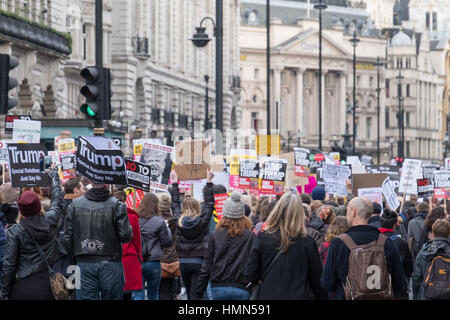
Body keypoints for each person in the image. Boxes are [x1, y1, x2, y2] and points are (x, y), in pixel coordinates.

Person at [320, 197, 408, 300]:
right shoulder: (386, 242)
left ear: (354, 212)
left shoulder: (339, 243)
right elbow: (400, 284)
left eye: (347, 211)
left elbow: (327, 283)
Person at [245, 193, 328, 300]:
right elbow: (317, 281)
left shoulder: (262, 238)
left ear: (277, 211)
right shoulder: (308, 243)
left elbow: (250, 274)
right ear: (300, 214)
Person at [0, 170, 64, 300]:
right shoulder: (50, 220)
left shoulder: (14, 231)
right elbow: (57, 199)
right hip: (48, 284)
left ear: (21, 210)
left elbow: (9, 265)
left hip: (23, 286)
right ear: (39, 205)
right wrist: (54, 178)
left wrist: (5, 293)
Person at [64, 182, 133, 300]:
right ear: (106, 183)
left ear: (91, 182)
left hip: (84, 262)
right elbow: (126, 236)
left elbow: (68, 238)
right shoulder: (117, 205)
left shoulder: (75, 204)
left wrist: (74, 261)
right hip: (110, 263)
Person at [197, 192, 257, 300]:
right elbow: (253, 262)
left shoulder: (215, 235)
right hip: (241, 287)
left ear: (224, 215)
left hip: (217, 287)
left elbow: (207, 265)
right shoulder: (250, 236)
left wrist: (199, 290)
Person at [176, 170, 215, 300]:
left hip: (183, 262)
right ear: (198, 208)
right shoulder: (202, 222)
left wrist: (175, 184)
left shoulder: (179, 221)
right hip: (198, 262)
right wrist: (209, 182)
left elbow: (174, 204)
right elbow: (210, 205)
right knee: (195, 295)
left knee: (189, 293)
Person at [134, 192, 172, 300]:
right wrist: (167, 228)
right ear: (156, 205)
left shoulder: (134, 219)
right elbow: (167, 242)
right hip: (153, 262)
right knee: (153, 293)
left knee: (138, 293)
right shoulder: (159, 221)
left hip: (137, 260)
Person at [113, 190, 143, 301]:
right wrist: (139, 257)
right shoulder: (132, 216)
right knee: (128, 293)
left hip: (114, 257)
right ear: (125, 200)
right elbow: (136, 240)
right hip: (129, 257)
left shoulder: (108, 213)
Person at [379, 208, 413, 300]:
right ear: (394, 225)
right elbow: (408, 267)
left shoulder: (372, 239)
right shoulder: (401, 242)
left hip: (376, 287)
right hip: (395, 287)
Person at [412, 218, 450, 300]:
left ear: (433, 233)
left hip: (427, 294)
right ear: (448, 234)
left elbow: (416, 277)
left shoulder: (424, 251)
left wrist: (416, 296)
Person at [159, 171, 182, 300]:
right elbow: (177, 206)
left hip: (158, 260)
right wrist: (175, 184)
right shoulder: (176, 220)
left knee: (158, 291)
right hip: (173, 261)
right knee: (169, 291)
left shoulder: (153, 221)